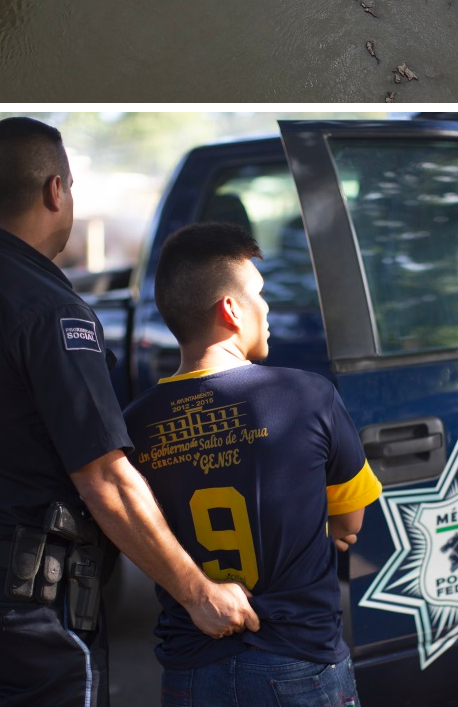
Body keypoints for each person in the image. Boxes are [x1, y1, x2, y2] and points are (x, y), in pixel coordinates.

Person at [0, 117, 257, 707]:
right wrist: (198, 592)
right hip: (31, 604)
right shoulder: (50, 311)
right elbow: (105, 478)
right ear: (55, 191)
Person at [123, 222, 382, 707]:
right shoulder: (309, 396)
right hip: (299, 661)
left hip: (191, 666)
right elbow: (350, 522)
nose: (267, 308)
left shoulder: (134, 425)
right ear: (231, 310)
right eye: (259, 294)